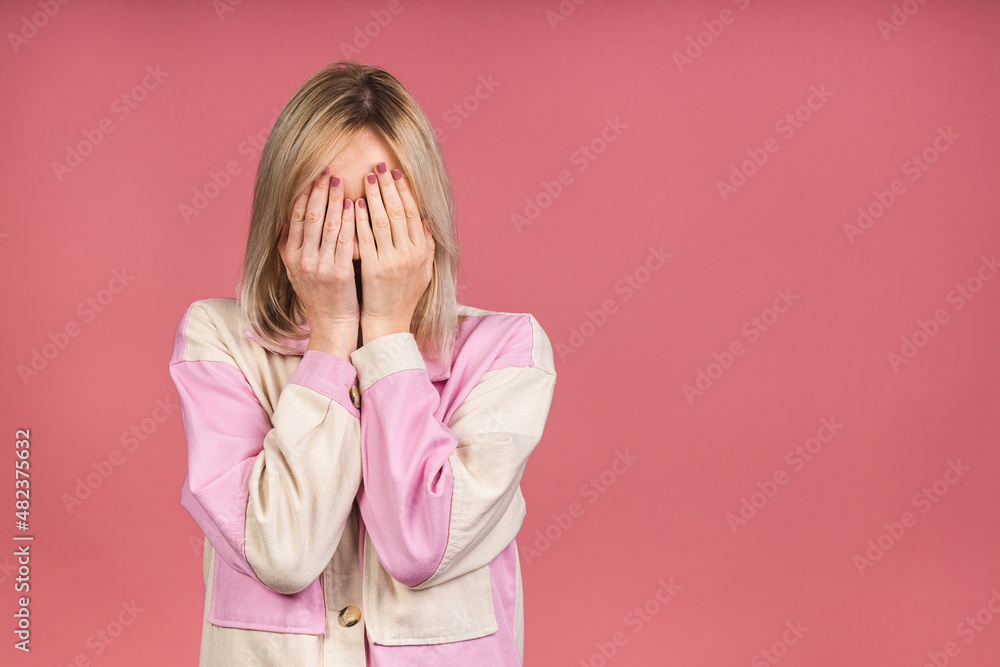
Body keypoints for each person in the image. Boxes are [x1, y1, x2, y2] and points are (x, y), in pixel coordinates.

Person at [168, 60, 557, 665]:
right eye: (325, 211)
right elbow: (282, 552)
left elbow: (420, 544)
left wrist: (386, 337)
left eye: (379, 212)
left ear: (424, 221)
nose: (352, 241)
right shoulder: (218, 340)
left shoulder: (506, 352)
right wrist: (329, 339)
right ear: (281, 221)